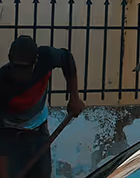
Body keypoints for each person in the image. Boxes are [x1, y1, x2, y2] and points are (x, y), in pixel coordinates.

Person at [0, 35, 84, 178]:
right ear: (10, 60)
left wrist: (74, 98)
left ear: (36, 61)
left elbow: (67, 59)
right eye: (17, 67)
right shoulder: (3, 83)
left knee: (42, 174)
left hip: (39, 132)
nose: (21, 74)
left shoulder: (47, 57)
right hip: (10, 136)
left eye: (26, 68)